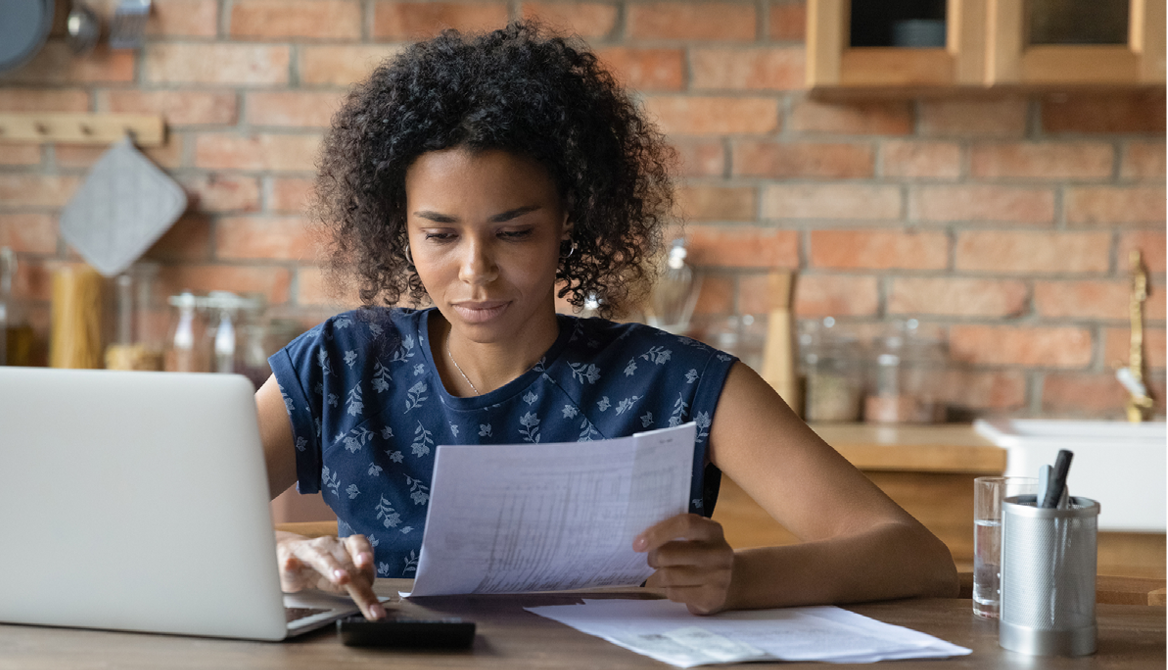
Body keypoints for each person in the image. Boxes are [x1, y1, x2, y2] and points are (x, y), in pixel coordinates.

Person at [255, 22, 956, 621]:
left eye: (514, 232)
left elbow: (915, 557)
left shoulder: (674, 383)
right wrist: (277, 551)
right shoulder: (340, 366)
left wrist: (741, 578)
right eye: (440, 235)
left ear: (570, 221)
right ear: (400, 228)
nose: (475, 270)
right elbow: (184, 514)